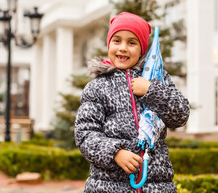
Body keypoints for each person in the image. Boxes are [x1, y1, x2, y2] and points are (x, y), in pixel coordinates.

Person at [75, 12, 190, 193]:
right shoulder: (97, 87)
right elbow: (85, 134)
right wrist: (115, 153)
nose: (123, 48)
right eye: (117, 41)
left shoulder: (156, 79)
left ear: (142, 49)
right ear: (109, 44)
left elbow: (181, 114)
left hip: (156, 185)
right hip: (108, 187)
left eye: (131, 42)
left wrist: (151, 91)